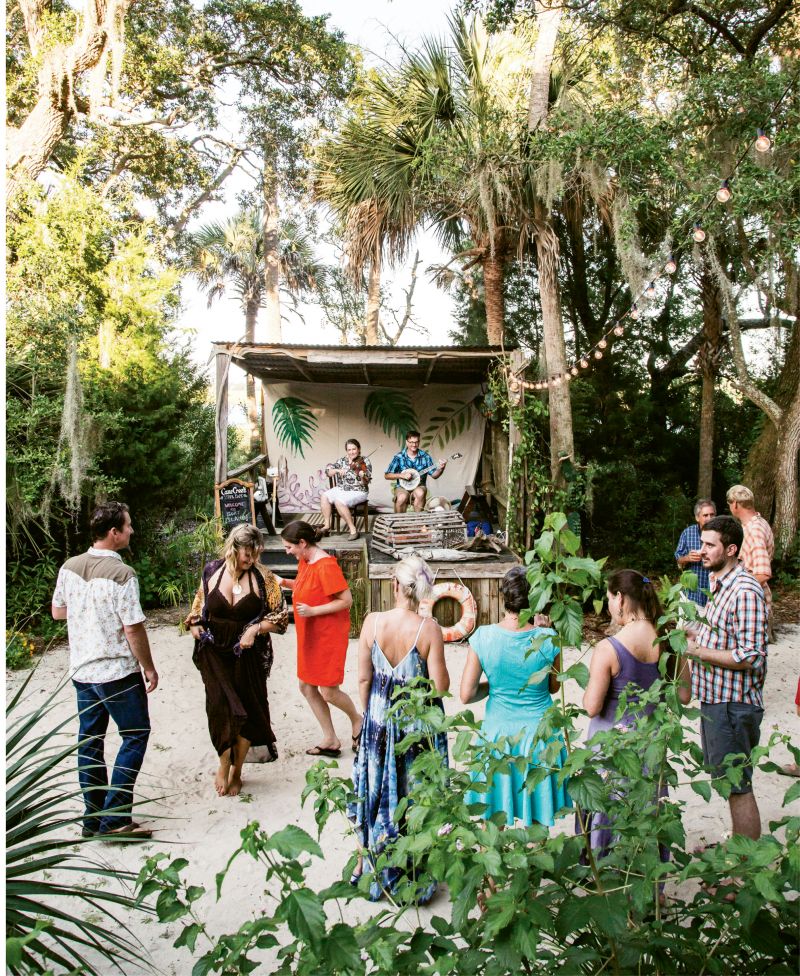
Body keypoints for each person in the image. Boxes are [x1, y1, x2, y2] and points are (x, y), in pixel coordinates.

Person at [51, 502, 158, 839]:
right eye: (128, 526)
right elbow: (133, 629)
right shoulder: (122, 575)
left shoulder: (69, 567)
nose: (131, 531)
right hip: (117, 672)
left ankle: (92, 818)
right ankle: (115, 819)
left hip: (83, 671)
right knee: (135, 734)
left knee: (90, 742)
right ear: (114, 534)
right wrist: (149, 667)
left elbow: (58, 611)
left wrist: (86, 612)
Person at [349, 555, 450, 902]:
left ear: (394, 585)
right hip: (415, 726)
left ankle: (372, 863)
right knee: (415, 792)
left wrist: (369, 712)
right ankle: (413, 869)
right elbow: (440, 686)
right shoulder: (428, 630)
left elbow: (364, 677)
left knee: (375, 790)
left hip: (378, 718)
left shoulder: (372, 622)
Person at [581, 570, 690, 857]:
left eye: (608, 598)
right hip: (651, 744)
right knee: (648, 808)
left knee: (608, 811)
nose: (608, 606)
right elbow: (683, 694)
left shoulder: (609, 648)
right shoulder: (668, 638)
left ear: (620, 599)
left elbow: (592, 706)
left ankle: (608, 880)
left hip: (612, 747)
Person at [460, 566, 570, 828]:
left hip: (498, 734)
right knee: (539, 815)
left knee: (492, 814)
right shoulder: (549, 638)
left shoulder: (483, 637)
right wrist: (547, 632)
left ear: (504, 597)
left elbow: (467, 694)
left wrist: (497, 685)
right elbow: (553, 687)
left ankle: (490, 868)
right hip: (539, 734)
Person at [186, 524, 287, 797]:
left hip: (248, 654)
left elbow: (280, 616)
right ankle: (223, 764)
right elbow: (198, 606)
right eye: (247, 553)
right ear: (234, 548)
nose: (251, 559)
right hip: (214, 652)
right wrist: (194, 625)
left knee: (249, 713)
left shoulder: (264, 577)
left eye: (256, 554)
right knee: (220, 708)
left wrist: (254, 629)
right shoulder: (211, 571)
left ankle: (238, 770)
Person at [687, 515, 768, 842]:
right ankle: (737, 856)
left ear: (731, 549)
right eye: (702, 543)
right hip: (716, 702)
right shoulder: (720, 584)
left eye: (710, 545)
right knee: (729, 783)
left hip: (734, 707)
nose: (702, 551)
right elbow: (722, 637)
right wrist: (692, 631)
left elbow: (750, 654)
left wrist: (698, 652)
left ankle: (743, 873)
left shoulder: (745, 589)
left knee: (738, 787)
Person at [279, 521, 362, 756]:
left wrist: (314, 611)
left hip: (328, 635)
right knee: (306, 686)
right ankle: (330, 738)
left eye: (289, 547)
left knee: (329, 691)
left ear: (302, 543)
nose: (288, 552)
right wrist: (284, 582)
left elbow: (346, 600)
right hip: (310, 635)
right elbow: (309, 586)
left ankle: (358, 720)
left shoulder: (326, 565)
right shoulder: (306, 561)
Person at [726, 484, 774, 612]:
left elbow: (763, 574)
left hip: (753, 605)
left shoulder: (755, 530)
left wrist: (736, 593)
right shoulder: (756, 523)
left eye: (729, 503)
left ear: (735, 504)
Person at [320, 438, 372, 541]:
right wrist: (337, 470)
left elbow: (366, 481)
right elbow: (328, 472)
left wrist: (362, 476)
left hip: (358, 490)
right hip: (342, 488)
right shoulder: (342, 461)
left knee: (339, 501)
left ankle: (353, 530)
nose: (352, 452)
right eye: (349, 450)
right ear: (346, 451)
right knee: (324, 496)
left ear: (359, 449)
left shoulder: (364, 461)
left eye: (354, 449)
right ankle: (327, 525)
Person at [384, 430, 447, 513]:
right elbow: (387, 475)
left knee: (420, 493)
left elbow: (434, 475)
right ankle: (399, 524)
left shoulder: (425, 457)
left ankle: (419, 521)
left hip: (419, 486)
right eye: (411, 442)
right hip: (402, 487)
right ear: (406, 442)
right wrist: (402, 475)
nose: (414, 445)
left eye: (416, 442)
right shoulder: (399, 457)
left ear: (419, 442)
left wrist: (441, 468)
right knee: (402, 497)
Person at [674, 499, 717, 607]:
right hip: (691, 595)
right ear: (697, 517)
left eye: (712, 515)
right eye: (705, 515)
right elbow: (678, 557)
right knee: (686, 624)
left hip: (714, 595)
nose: (709, 518)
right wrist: (687, 558)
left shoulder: (721, 534)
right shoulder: (688, 533)